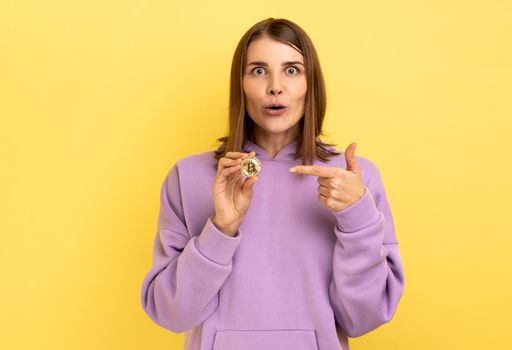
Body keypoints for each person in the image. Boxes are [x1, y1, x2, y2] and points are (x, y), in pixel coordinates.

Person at [140, 17, 405, 350]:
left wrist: (357, 220)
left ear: (312, 85)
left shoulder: (351, 181)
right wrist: (220, 230)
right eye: (259, 70)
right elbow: (170, 314)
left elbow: (364, 318)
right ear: (241, 84)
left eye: (292, 70)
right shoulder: (189, 177)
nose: (275, 86)